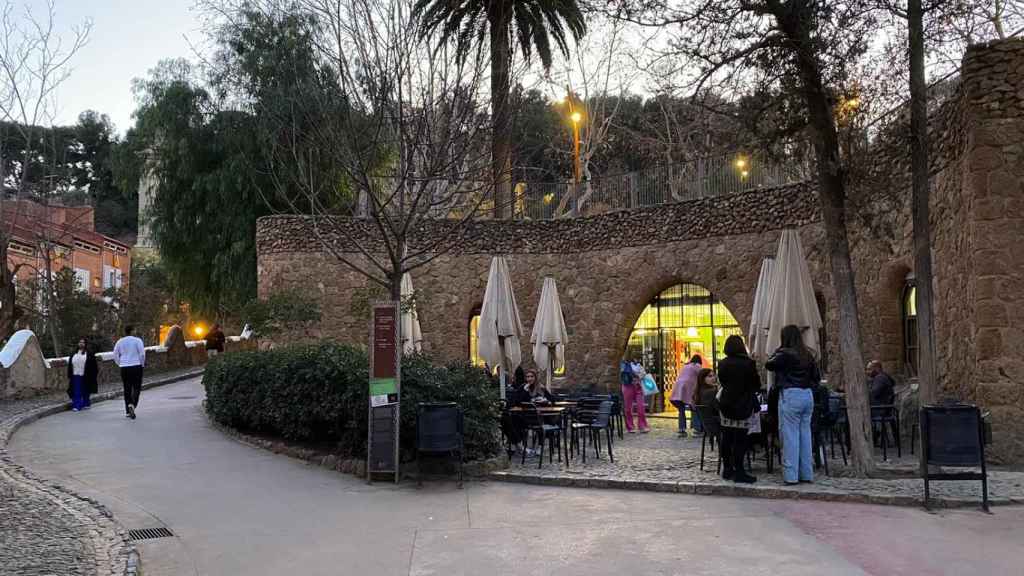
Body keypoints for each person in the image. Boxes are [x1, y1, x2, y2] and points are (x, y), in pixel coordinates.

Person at [766, 324, 820, 485]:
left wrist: (778, 350)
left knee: (790, 436)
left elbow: (769, 364)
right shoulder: (808, 354)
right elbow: (816, 377)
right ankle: (806, 473)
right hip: (807, 395)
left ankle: (791, 475)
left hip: (791, 394)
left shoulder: (784, 354)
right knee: (805, 435)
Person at [717, 335, 761, 483]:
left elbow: (722, 381)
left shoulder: (722, 363)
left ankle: (727, 469)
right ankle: (740, 471)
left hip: (726, 403)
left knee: (727, 438)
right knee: (740, 440)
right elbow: (756, 384)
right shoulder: (748, 363)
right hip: (743, 403)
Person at [114, 325, 146, 420]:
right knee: (136, 387)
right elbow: (142, 354)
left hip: (124, 367)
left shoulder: (120, 341)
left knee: (127, 388)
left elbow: (115, 354)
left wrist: (120, 363)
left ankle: (128, 411)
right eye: (135, 330)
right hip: (136, 366)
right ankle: (132, 404)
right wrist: (142, 364)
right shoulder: (137, 340)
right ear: (132, 331)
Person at [670, 355, 703, 437]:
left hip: (679, 388)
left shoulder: (685, 366)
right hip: (689, 388)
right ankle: (697, 430)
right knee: (694, 408)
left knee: (681, 410)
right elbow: (703, 376)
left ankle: (681, 430)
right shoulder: (697, 366)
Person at [66, 338, 98, 412]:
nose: (81, 344)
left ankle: (86, 403)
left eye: (83, 342)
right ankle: (77, 406)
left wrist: (93, 375)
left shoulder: (89, 354)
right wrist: (69, 374)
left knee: (85, 390)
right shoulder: (73, 353)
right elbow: (70, 365)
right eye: (80, 342)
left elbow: (94, 366)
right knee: (76, 391)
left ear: (85, 344)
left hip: (85, 375)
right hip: (75, 375)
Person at [623, 356, 650, 433]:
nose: (637, 359)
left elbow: (643, 375)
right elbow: (623, 374)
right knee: (628, 408)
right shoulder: (625, 365)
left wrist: (639, 376)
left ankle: (642, 426)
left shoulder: (640, 366)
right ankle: (630, 427)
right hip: (628, 386)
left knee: (641, 407)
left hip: (638, 387)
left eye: (638, 358)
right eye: (635, 357)